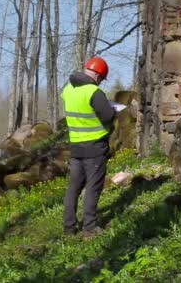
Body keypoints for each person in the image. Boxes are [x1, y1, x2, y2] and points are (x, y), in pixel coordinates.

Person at [62, 56, 116, 238]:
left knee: (74, 187)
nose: (100, 82)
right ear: (98, 75)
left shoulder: (68, 89)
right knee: (93, 186)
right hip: (94, 147)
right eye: (101, 78)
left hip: (76, 146)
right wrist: (113, 109)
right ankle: (90, 227)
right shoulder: (94, 92)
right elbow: (107, 117)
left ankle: (69, 227)